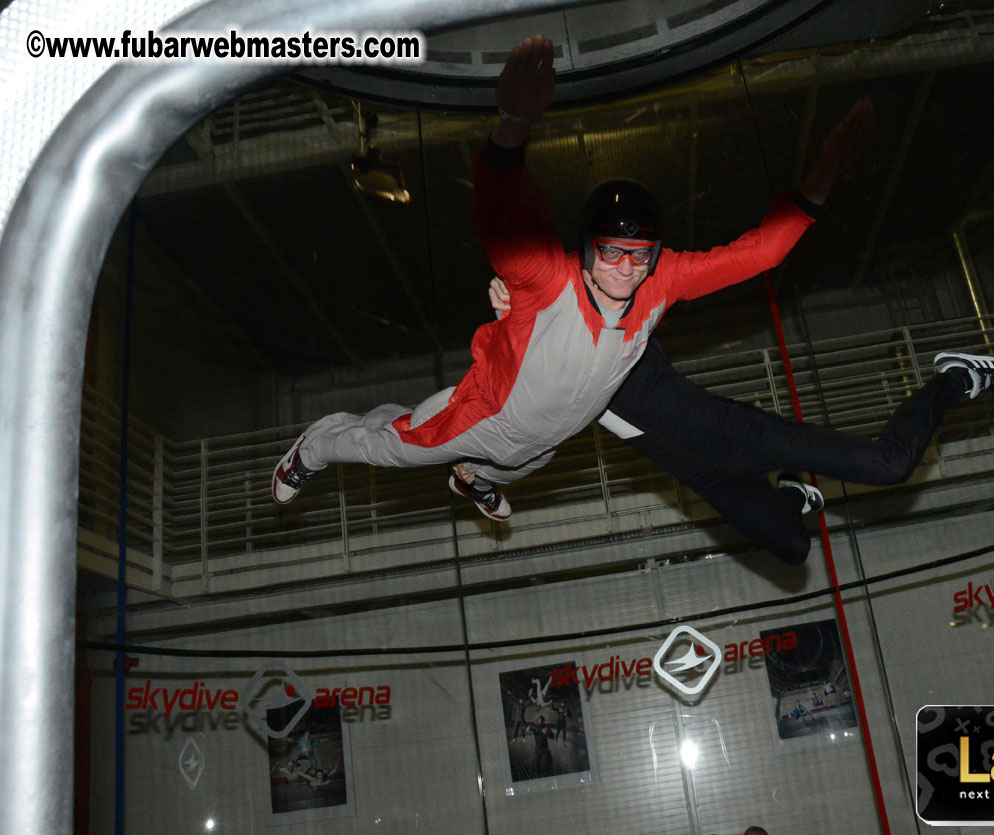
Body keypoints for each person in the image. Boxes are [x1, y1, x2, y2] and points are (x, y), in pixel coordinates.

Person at [271, 34, 873, 517]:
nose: (627, 268)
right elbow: (494, 213)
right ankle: (316, 446)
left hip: (551, 439)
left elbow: (758, 254)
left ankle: (472, 478)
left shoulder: (659, 280)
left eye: (640, 254)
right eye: (612, 252)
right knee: (391, 449)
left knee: (522, 465)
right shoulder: (544, 277)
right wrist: (512, 124)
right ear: (586, 249)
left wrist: (823, 175)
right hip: (482, 413)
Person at [488, 276, 994, 564]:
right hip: (710, 480)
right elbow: (522, 432)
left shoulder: (617, 340)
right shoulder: (563, 394)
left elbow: (601, 290)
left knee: (890, 467)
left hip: (745, 438)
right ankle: (795, 496)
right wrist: (481, 477)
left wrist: (527, 300)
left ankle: (956, 379)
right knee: (793, 550)